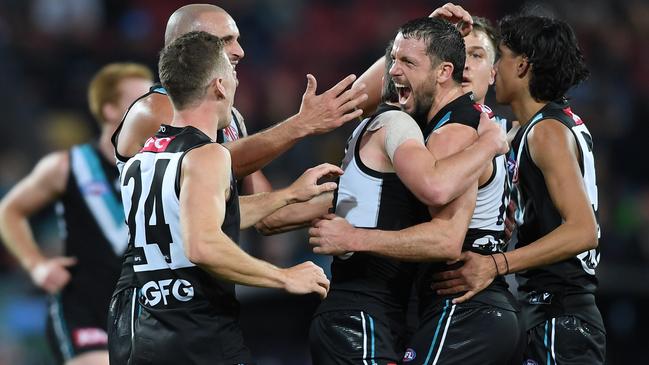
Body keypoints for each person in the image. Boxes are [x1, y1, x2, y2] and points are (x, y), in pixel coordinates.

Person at [107, 4, 367, 362]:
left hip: (195, 305)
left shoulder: (229, 123)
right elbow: (211, 175)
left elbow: (250, 215)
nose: (240, 51)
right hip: (157, 304)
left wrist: (351, 196)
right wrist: (300, 126)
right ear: (194, 47)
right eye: (227, 39)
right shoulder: (156, 112)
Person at [309, 15, 523, 364]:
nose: (467, 65)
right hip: (462, 307)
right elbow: (354, 104)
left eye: (477, 56)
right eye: (395, 59)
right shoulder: (458, 125)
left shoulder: (460, 129)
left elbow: (444, 228)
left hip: (461, 306)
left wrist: (352, 238)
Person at [431, 14, 606, 364]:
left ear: (523, 66)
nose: (495, 69)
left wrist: (496, 264)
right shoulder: (544, 126)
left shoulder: (546, 133)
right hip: (556, 314)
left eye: (503, 56)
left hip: (560, 313)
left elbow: (583, 230)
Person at [0, 63, 153, 365]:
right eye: (140, 101)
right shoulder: (68, 166)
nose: (151, 108)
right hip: (83, 310)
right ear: (109, 111)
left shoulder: (161, 168)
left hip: (144, 312)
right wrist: (36, 265)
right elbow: (9, 211)